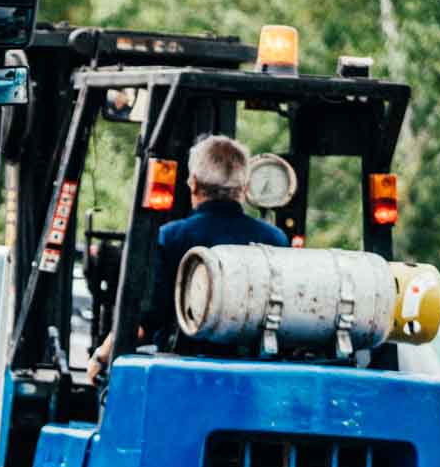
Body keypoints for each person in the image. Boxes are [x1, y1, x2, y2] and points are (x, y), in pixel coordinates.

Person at [86, 134, 289, 382]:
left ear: (193, 184)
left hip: (184, 375)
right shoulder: (275, 240)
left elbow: (142, 323)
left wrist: (100, 357)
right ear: (245, 188)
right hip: (255, 377)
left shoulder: (170, 237)